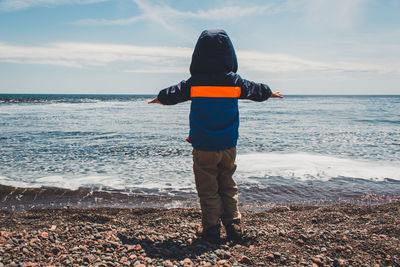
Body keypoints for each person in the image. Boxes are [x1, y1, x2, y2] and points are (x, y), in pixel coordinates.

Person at [149, 29, 283, 243]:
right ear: (230, 55)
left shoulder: (196, 83)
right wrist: (269, 92)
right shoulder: (234, 82)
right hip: (228, 144)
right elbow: (255, 90)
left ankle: (211, 229)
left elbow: (174, 93)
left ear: (198, 56)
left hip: (203, 145)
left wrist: (160, 98)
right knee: (228, 183)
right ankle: (233, 227)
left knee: (208, 187)